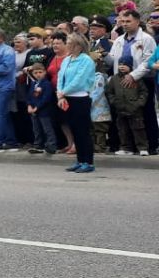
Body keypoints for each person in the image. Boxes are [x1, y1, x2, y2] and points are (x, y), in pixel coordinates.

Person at [111, 10, 158, 156]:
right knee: (126, 113)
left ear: (137, 22)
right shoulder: (119, 40)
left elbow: (147, 61)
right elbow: (113, 59)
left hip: (142, 79)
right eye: (123, 22)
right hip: (122, 80)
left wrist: (133, 75)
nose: (125, 24)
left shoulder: (146, 39)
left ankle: (151, 145)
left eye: (128, 21)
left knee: (145, 112)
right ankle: (128, 146)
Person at [57, 33, 97, 173]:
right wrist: (59, 93)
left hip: (80, 98)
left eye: (69, 42)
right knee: (74, 130)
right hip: (67, 98)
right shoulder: (67, 59)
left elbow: (79, 80)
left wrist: (64, 91)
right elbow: (60, 77)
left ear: (78, 45)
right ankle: (80, 160)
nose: (67, 44)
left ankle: (88, 162)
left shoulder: (86, 60)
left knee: (82, 131)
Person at [105, 61, 149, 156]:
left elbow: (144, 92)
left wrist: (139, 103)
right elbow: (109, 92)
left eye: (125, 65)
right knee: (122, 130)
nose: (122, 67)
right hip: (120, 108)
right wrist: (114, 102)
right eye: (120, 64)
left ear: (130, 66)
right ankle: (126, 148)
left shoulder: (136, 78)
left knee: (138, 129)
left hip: (135, 108)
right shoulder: (114, 79)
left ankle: (142, 147)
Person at [26, 64, 58, 154]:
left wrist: (37, 107)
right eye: (35, 73)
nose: (38, 74)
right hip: (34, 111)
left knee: (47, 128)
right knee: (36, 129)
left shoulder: (47, 84)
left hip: (44, 111)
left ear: (45, 72)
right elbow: (29, 96)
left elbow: (46, 98)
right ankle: (37, 145)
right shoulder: (33, 84)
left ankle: (51, 145)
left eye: (40, 72)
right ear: (32, 73)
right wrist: (29, 105)